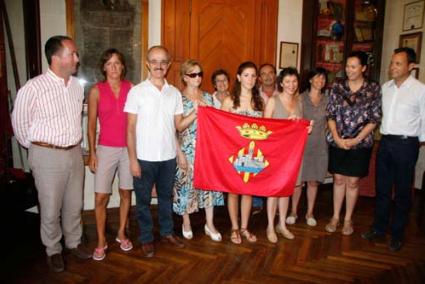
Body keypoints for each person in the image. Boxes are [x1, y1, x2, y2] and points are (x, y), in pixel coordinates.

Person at [11, 35, 91, 272]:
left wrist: (75, 146)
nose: (77, 58)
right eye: (72, 54)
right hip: (47, 155)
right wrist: (40, 149)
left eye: (76, 54)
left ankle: (74, 242)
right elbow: (20, 124)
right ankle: (53, 249)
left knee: (74, 203)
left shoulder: (76, 87)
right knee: (50, 207)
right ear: (56, 58)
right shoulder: (33, 87)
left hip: (74, 153)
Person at [125, 45, 195, 258]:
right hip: (144, 158)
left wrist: (196, 113)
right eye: (154, 61)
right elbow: (129, 128)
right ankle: (146, 238)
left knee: (166, 197)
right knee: (143, 201)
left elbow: (179, 126)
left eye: (163, 62)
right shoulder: (136, 91)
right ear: (147, 63)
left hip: (168, 157)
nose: (158, 65)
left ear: (168, 65)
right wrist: (133, 160)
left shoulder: (174, 93)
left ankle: (167, 232)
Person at [362, 47, 425, 252]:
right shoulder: (385, 87)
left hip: (407, 145)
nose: (392, 67)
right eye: (392, 62)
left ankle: (397, 234)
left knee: (403, 192)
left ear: (411, 66)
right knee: (382, 188)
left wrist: (416, 142)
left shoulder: (420, 90)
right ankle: (379, 228)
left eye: (398, 63)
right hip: (386, 143)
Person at [325, 51, 381, 236]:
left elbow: (375, 118)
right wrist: (337, 137)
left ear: (363, 68)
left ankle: (348, 218)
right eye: (347, 66)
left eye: (353, 66)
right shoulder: (338, 86)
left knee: (353, 181)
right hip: (338, 141)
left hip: (360, 143)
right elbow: (331, 114)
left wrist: (356, 140)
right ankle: (334, 216)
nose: (349, 70)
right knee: (338, 179)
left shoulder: (373, 88)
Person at [87, 49, 133, 261]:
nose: (114, 67)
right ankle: (100, 240)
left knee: (125, 193)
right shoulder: (97, 90)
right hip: (105, 148)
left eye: (117, 63)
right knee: (100, 197)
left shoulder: (130, 88)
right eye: (110, 63)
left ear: (122, 66)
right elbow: (90, 126)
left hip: (127, 149)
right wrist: (93, 153)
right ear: (104, 67)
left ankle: (121, 232)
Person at [173, 59, 224, 241]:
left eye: (200, 74)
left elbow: (216, 123)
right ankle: (186, 222)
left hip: (207, 149)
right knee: (186, 187)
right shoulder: (178, 97)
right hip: (187, 149)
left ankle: (209, 224)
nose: (198, 77)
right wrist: (195, 112)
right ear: (185, 77)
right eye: (193, 74)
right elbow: (178, 127)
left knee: (210, 186)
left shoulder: (209, 97)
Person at [221, 61, 264, 244]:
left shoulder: (260, 101)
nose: (250, 79)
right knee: (233, 192)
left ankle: (245, 227)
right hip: (233, 152)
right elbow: (220, 126)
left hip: (252, 154)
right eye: (246, 75)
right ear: (239, 77)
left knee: (248, 191)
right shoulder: (229, 100)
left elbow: (267, 128)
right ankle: (234, 228)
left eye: (253, 75)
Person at [264, 67, 304, 243]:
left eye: (294, 81)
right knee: (274, 191)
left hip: (293, 154)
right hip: (275, 153)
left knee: (287, 190)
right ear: (281, 83)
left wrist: (306, 127)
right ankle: (270, 226)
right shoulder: (273, 101)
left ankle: (282, 224)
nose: (291, 85)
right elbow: (264, 129)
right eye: (287, 81)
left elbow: (300, 125)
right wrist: (284, 125)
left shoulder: (299, 102)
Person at [286, 67, 328, 227]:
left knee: (313, 181)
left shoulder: (327, 99)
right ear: (310, 80)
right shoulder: (300, 98)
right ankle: (293, 211)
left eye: (323, 78)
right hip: (301, 145)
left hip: (319, 145)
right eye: (317, 77)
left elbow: (330, 121)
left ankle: (310, 212)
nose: (320, 81)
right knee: (298, 182)